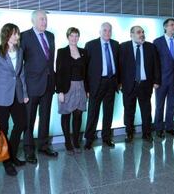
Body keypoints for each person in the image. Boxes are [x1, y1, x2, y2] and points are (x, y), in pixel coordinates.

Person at [0, 23, 28, 176]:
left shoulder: (20, 51)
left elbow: (21, 74)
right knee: (3, 130)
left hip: (17, 95)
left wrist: (24, 93)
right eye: (15, 33)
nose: (18, 36)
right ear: (7, 35)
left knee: (21, 124)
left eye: (18, 34)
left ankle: (12, 155)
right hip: (1, 97)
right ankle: (6, 161)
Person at [21, 10, 57, 163]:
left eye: (46, 19)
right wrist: (22, 88)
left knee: (45, 116)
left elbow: (50, 61)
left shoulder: (50, 36)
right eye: (42, 19)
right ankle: (29, 150)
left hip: (48, 84)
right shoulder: (24, 36)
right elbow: (19, 63)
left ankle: (43, 146)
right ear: (33, 20)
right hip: (31, 85)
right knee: (29, 119)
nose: (44, 22)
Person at [119, 26, 161, 143]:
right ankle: (129, 133)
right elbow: (119, 66)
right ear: (131, 34)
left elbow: (156, 65)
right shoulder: (123, 47)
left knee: (146, 111)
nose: (142, 34)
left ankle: (146, 133)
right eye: (138, 32)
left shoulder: (151, 47)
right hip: (128, 85)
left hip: (145, 85)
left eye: (143, 32)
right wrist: (119, 83)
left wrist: (157, 81)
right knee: (128, 111)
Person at [83, 22, 119, 150]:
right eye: (105, 30)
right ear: (100, 31)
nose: (107, 33)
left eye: (109, 30)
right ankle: (89, 139)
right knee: (93, 112)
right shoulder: (91, 45)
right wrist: (86, 88)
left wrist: (118, 82)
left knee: (108, 112)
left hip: (111, 82)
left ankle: (106, 137)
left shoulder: (115, 44)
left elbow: (118, 64)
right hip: (96, 84)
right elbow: (85, 69)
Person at [56, 27, 88, 155]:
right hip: (66, 87)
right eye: (72, 36)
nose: (74, 38)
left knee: (78, 115)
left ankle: (75, 142)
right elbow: (58, 73)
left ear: (78, 37)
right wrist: (60, 91)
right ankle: (67, 143)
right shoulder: (62, 52)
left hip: (81, 86)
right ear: (67, 37)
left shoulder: (84, 52)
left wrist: (87, 90)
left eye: (76, 36)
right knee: (66, 115)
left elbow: (87, 73)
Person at [153, 18, 174, 139]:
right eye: (171, 25)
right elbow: (154, 63)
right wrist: (155, 80)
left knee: (171, 105)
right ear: (165, 27)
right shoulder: (157, 41)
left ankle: (169, 128)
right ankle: (158, 129)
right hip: (161, 80)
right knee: (159, 105)